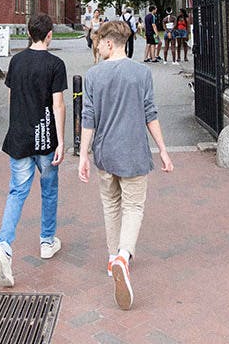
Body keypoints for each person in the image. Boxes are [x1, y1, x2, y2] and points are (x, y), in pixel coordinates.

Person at [78, 20, 174, 311]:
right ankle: (124, 256)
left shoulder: (93, 75)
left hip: (105, 153)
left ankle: (111, 258)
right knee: (133, 206)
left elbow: (88, 118)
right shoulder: (141, 73)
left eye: (98, 42)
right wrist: (163, 150)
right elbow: (150, 114)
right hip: (134, 151)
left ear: (109, 43)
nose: (97, 46)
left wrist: (83, 155)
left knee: (110, 205)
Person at [0, 13, 68, 288]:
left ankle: (3, 246)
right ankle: (47, 241)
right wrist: (61, 140)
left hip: (20, 137)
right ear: (49, 35)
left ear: (28, 33)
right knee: (49, 190)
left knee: (17, 192)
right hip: (45, 137)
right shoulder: (55, 64)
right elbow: (58, 105)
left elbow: (11, 98)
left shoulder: (16, 61)